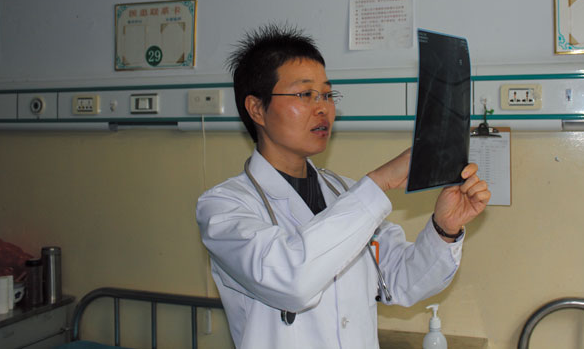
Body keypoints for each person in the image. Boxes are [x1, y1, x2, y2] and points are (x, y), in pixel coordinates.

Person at [196, 23, 491, 349]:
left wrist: (444, 229)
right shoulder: (224, 209)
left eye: (327, 94)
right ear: (256, 109)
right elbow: (292, 280)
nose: (323, 107)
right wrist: (379, 183)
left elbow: (400, 281)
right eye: (305, 94)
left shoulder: (345, 193)